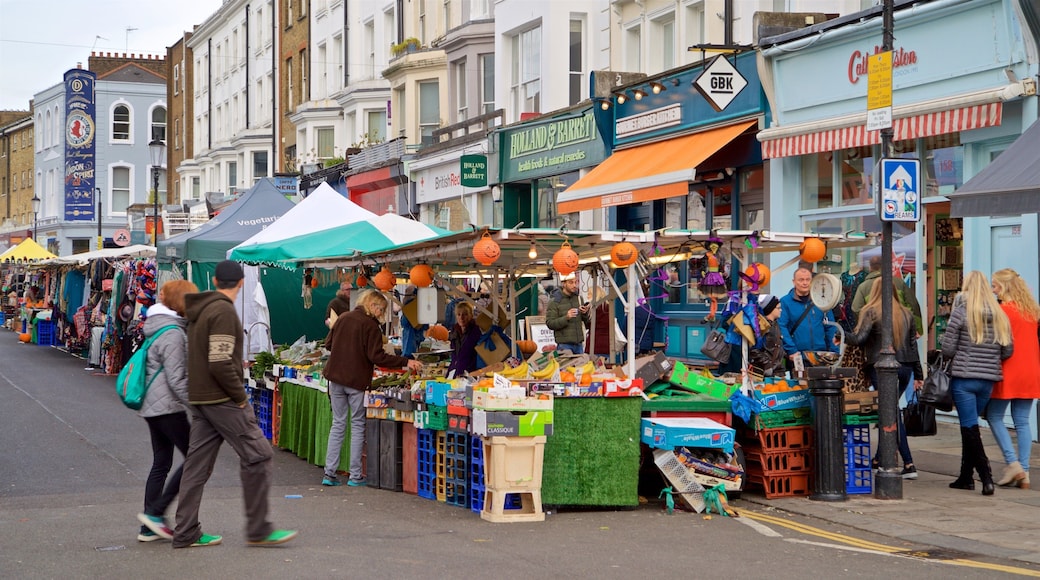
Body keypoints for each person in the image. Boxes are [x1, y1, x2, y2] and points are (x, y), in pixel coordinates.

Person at [173, 260, 297, 548]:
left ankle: (186, 531)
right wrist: (240, 398)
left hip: (201, 398)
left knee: (196, 467)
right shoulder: (223, 312)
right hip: (222, 399)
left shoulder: (200, 311)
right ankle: (259, 528)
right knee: (259, 454)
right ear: (241, 284)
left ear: (215, 281)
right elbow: (219, 362)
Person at [322, 290, 423, 487]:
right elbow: (377, 357)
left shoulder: (343, 318)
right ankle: (355, 476)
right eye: (381, 309)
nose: (382, 313)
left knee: (338, 424)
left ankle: (329, 473)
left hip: (335, 379)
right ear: (372, 305)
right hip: (356, 381)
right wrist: (405, 361)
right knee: (358, 424)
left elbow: (328, 344)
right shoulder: (370, 326)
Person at [135, 280, 197, 542]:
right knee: (195, 457)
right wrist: (198, 405)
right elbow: (177, 378)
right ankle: (155, 513)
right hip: (167, 407)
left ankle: (149, 525)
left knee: (161, 463)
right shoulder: (172, 332)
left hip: (152, 405)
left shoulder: (157, 326)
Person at [942, 270, 1014, 496]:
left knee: (970, 428)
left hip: (964, 379)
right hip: (988, 380)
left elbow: (948, 349)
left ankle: (986, 477)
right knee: (968, 427)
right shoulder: (1000, 315)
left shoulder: (961, 313)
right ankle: (965, 477)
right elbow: (1008, 349)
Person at [844, 279, 924, 480]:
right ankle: (880, 458)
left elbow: (859, 339)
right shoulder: (906, 313)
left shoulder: (871, 311)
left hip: (881, 367)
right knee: (889, 410)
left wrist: (840, 332)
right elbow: (913, 346)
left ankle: (908, 462)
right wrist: (919, 374)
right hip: (905, 368)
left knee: (891, 413)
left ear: (874, 291)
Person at [986, 268, 1040, 489]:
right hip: (1031, 370)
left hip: (1009, 369)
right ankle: (1024, 472)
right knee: (1022, 421)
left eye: (995, 286)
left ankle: (1013, 463)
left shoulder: (1003, 311)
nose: (993, 290)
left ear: (1005, 287)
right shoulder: (1032, 312)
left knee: (994, 415)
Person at [778, 267, 839, 367]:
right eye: (801, 280)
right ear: (794, 282)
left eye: (807, 279)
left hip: (821, 355)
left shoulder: (821, 301)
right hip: (798, 355)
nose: (805, 283)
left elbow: (830, 327)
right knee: (799, 383)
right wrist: (791, 350)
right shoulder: (785, 302)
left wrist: (834, 351)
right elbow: (781, 327)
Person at [851, 255, 923, 335]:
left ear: (870, 267)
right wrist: (916, 328)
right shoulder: (899, 282)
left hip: (875, 332)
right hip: (899, 329)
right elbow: (913, 305)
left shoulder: (863, 287)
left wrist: (867, 325)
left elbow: (856, 308)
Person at [545, 272, 590, 355]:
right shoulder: (555, 301)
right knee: (565, 368)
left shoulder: (579, 299)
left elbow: (587, 323)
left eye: (576, 282)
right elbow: (550, 323)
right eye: (571, 282)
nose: (574, 285)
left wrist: (584, 313)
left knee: (581, 368)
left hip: (579, 344)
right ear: (564, 283)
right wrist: (566, 317)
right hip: (564, 345)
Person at [748, 294, 785, 377]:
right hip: (763, 371)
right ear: (770, 309)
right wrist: (766, 364)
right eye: (778, 308)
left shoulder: (776, 325)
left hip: (776, 371)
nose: (781, 310)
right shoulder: (761, 327)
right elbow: (754, 349)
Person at [446, 301, 481, 377]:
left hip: (470, 373)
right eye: (459, 315)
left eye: (465, 314)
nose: (461, 318)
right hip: (455, 371)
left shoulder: (476, 332)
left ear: (471, 315)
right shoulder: (454, 331)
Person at [399, 284, 427, 356]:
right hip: (418, 339)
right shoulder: (422, 305)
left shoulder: (410, 305)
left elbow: (404, 323)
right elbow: (426, 326)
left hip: (410, 341)